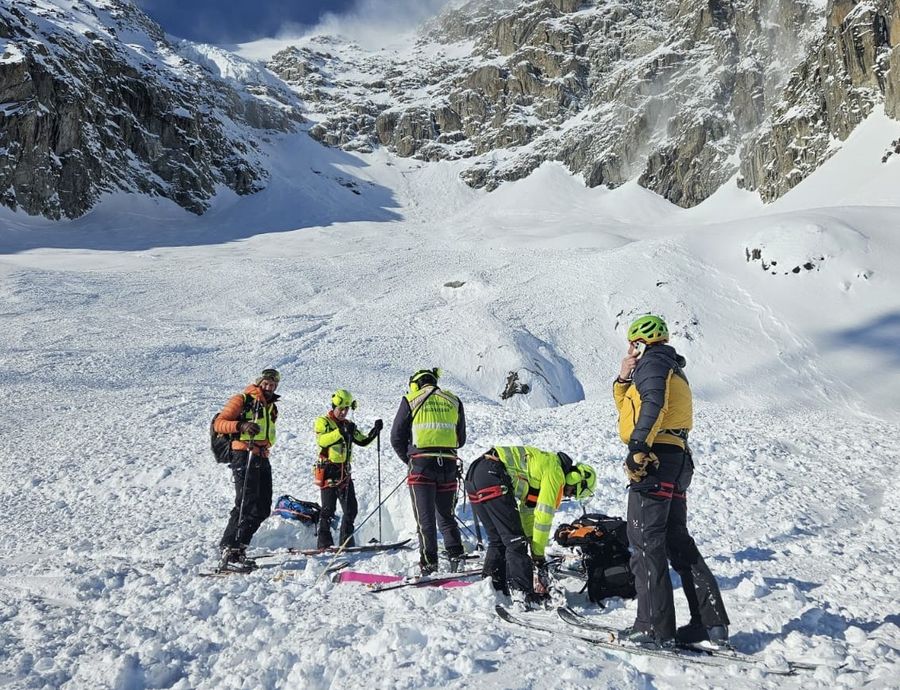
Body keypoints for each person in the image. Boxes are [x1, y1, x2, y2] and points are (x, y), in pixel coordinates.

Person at [613, 314, 730, 645]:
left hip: (656, 459)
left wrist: (638, 448)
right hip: (677, 460)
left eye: (633, 344)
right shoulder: (670, 367)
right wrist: (623, 379)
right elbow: (629, 410)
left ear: (641, 342)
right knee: (677, 542)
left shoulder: (652, 365)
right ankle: (710, 624)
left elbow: (652, 406)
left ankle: (652, 627)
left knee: (646, 543)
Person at [465, 446, 596, 606]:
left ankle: (492, 588)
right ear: (575, 478)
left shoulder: (543, 466)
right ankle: (523, 594)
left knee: (499, 538)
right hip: (493, 474)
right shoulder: (555, 472)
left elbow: (528, 512)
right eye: (571, 491)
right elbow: (543, 517)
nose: (568, 495)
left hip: (476, 474)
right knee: (515, 541)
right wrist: (537, 555)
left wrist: (531, 542)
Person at [390, 368, 466, 575]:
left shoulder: (410, 399)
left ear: (415, 384)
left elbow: (396, 437)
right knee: (446, 515)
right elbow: (461, 439)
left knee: (425, 521)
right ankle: (456, 555)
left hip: (421, 466)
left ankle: (429, 563)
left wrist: (410, 460)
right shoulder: (454, 400)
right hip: (449, 465)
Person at [215, 368, 281, 571]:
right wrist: (241, 426)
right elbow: (219, 423)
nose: (269, 387)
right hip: (244, 454)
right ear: (259, 382)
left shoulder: (271, 407)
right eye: (266, 383)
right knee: (245, 502)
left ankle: (240, 547)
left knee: (262, 506)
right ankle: (229, 549)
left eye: (273, 384)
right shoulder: (242, 399)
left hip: (261, 455)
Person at [313, 389, 383, 549]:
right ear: (334, 406)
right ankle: (324, 544)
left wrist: (375, 431)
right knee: (328, 510)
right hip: (329, 469)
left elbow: (362, 440)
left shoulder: (348, 425)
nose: (344, 412)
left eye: (346, 409)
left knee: (351, 509)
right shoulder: (323, 421)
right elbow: (322, 441)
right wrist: (340, 432)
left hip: (344, 472)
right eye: (341, 408)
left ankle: (346, 542)